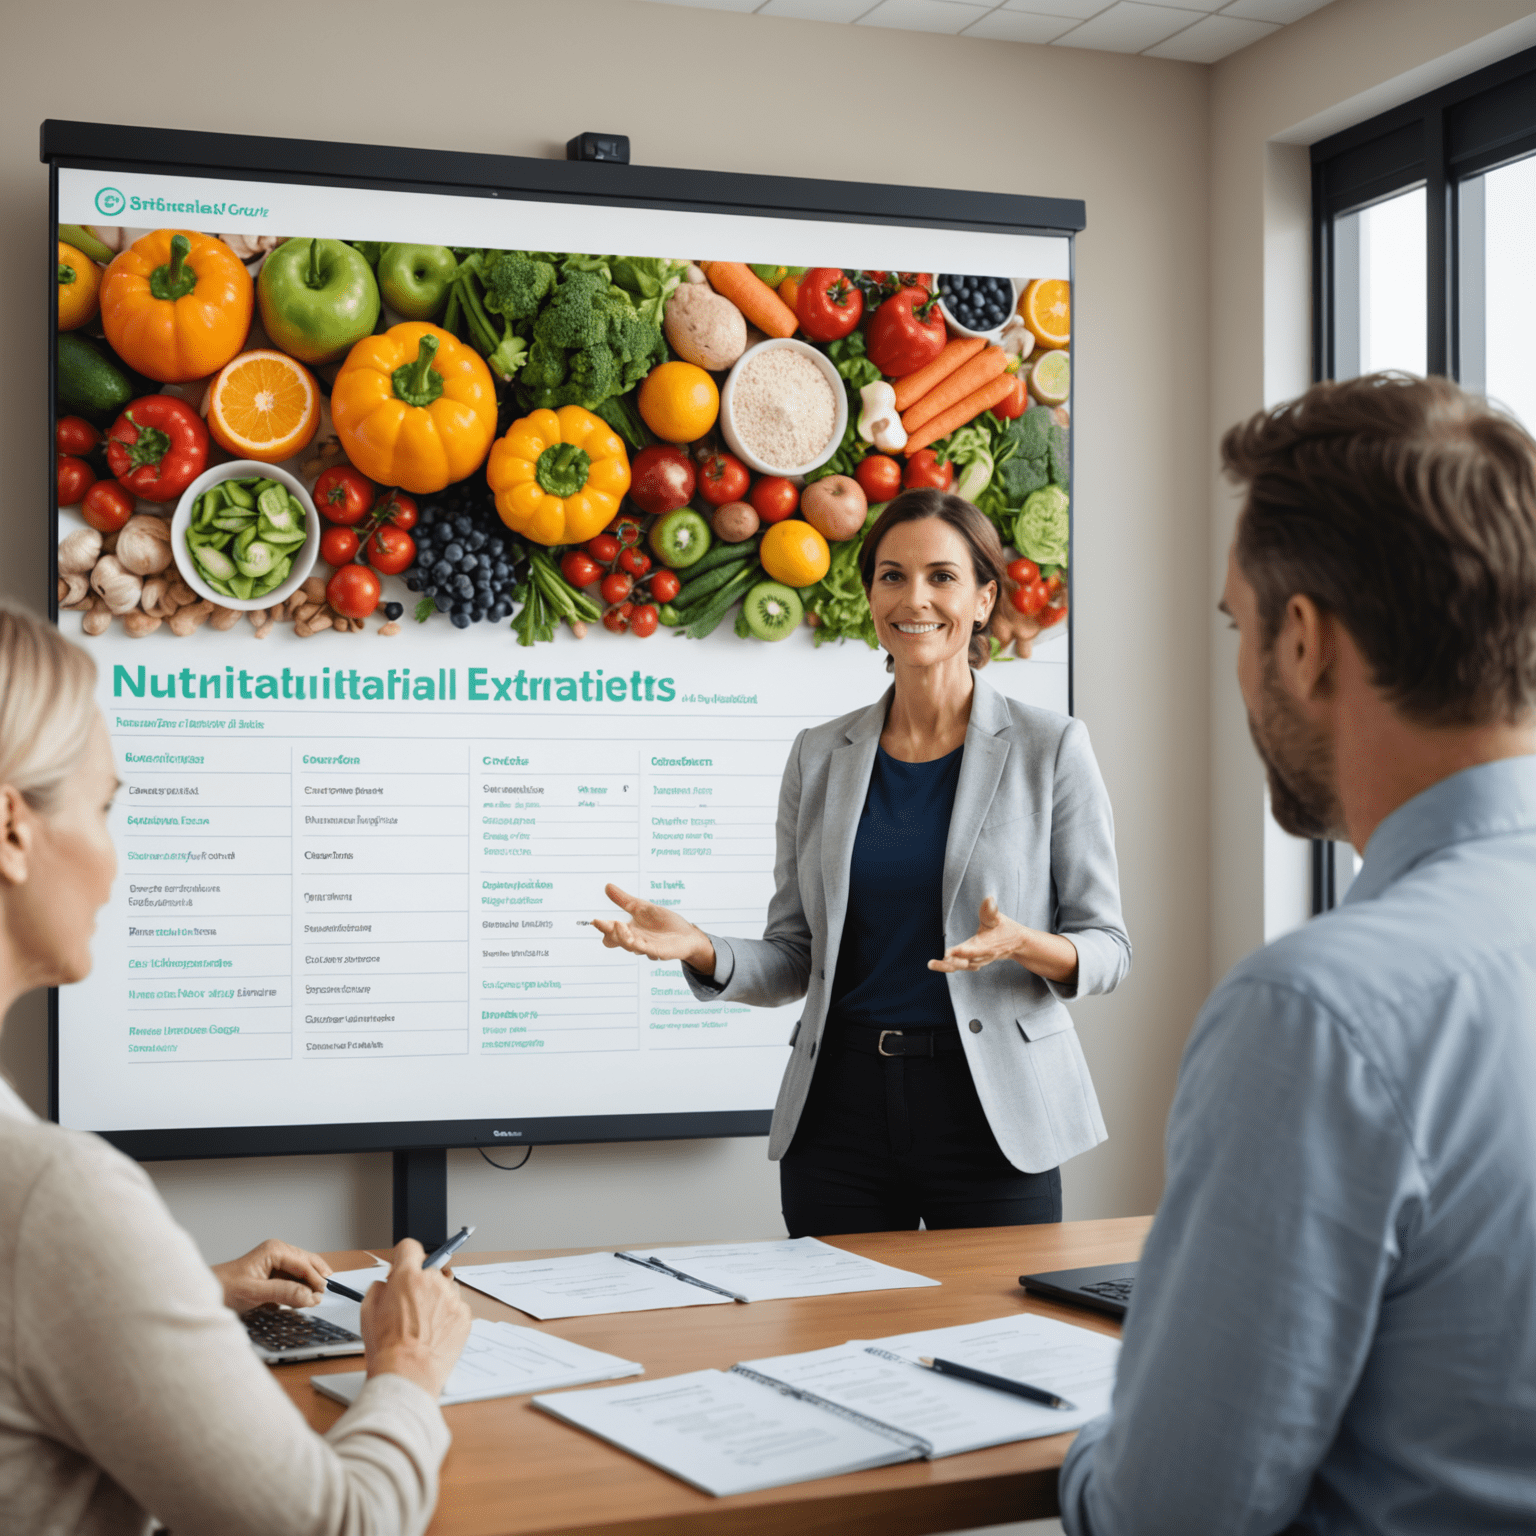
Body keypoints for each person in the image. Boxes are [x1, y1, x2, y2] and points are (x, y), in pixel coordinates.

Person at [1059, 373, 1536, 1533]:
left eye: (1241, 624)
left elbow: (1166, 1520)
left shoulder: (1320, 1013)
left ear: (1308, 641)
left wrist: (1095, 1442)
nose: (1241, 664)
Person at [0, 606, 473, 1536]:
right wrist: (410, 1362)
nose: (113, 866)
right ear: (12, 830)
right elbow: (341, 1526)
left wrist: (168, 1293)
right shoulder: (50, 1196)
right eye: (103, 809)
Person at [594, 488, 1130, 1236]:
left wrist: (1026, 945)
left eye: (943, 576)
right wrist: (702, 949)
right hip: (840, 1107)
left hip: (993, 1109)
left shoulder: (1052, 747)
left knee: (1001, 1343)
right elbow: (796, 957)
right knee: (831, 1343)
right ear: (871, 593)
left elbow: (1109, 948)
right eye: (892, 575)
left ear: (983, 600)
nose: (916, 598)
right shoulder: (820, 754)